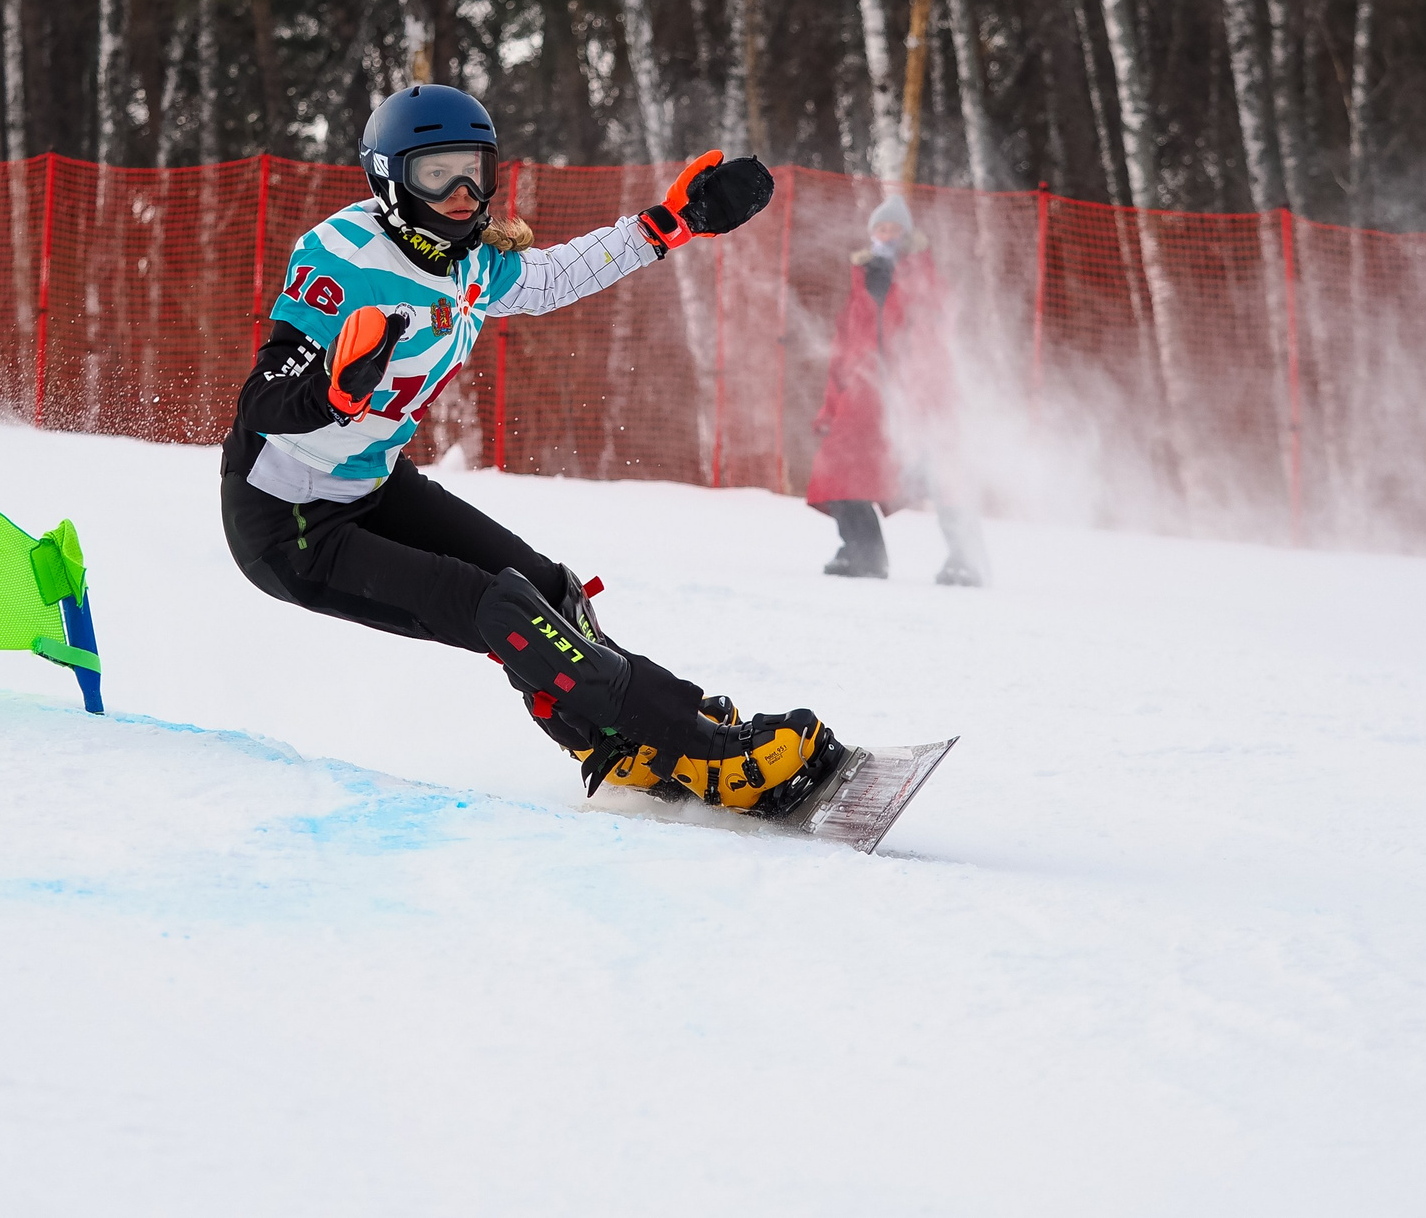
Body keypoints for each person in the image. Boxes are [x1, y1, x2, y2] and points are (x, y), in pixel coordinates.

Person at [221, 83, 845, 812]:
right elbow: (262, 397)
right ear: (389, 179)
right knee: (501, 606)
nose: (460, 193)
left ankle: (624, 739)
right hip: (287, 520)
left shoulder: (472, 260)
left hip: (371, 485)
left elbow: (551, 278)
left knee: (549, 589)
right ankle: (693, 746)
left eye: (474, 170)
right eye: (435, 173)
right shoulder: (342, 255)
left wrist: (671, 223)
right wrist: (328, 393)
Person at [806, 195, 990, 586]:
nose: (886, 235)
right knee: (838, 468)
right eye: (880, 228)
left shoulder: (924, 279)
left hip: (920, 396)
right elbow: (844, 352)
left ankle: (967, 559)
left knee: (943, 473)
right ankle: (863, 553)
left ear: (907, 235)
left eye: (894, 229)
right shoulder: (860, 282)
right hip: (864, 398)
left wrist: (925, 394)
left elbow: (934, 342)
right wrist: (829, 408)